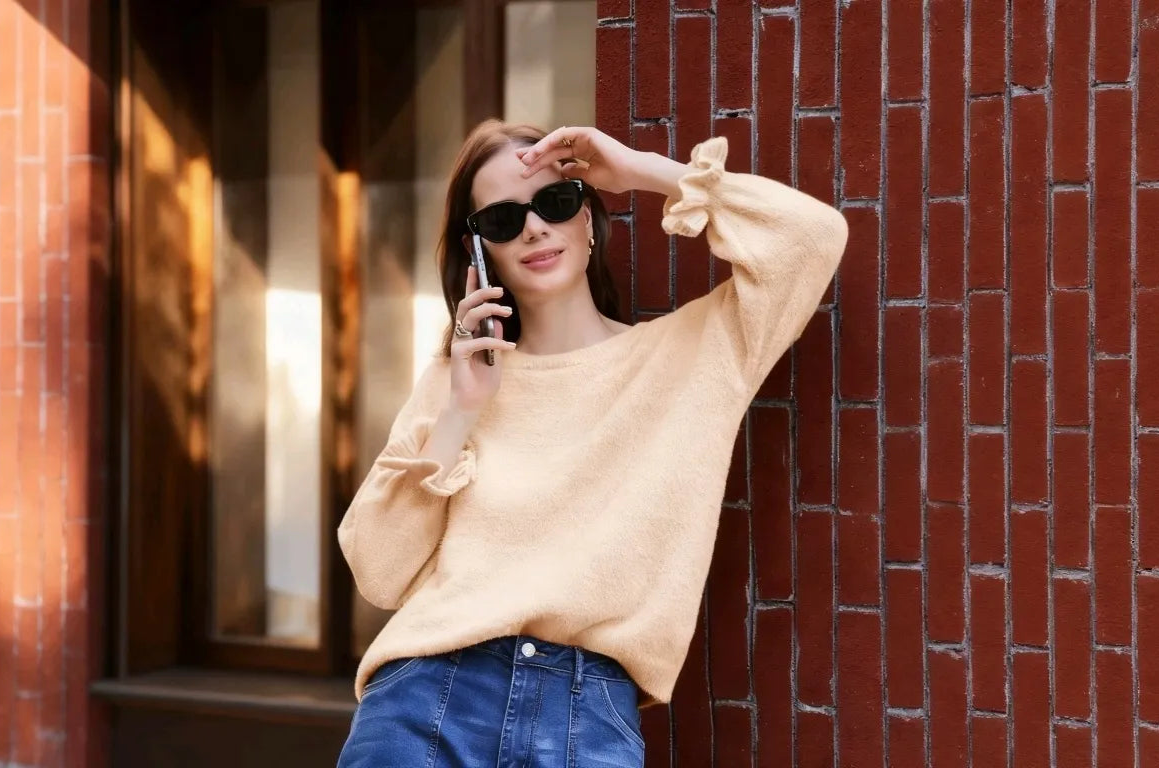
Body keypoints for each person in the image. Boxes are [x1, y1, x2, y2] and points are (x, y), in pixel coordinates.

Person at [335, 121, 847, 767]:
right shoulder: (458, 381)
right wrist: (461, 410)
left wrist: (638, 169)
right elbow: (377, 571)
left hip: (587, 719)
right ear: (478, 250)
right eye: (500, 218)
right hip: (430, 701)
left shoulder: (695, 354)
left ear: (588, 219)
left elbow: (812, 238)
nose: (533, 228)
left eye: (554, 202)